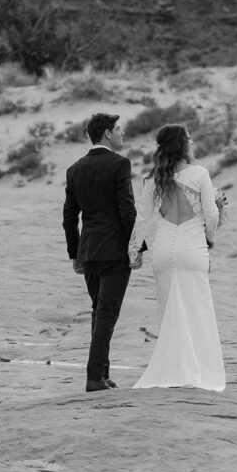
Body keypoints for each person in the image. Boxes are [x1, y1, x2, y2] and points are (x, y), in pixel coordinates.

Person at [128, 124, 226, 391]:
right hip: (193, 250)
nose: (192, 143)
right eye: (190, 140)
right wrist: (211, 238)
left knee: (170, 312)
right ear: (183, 145)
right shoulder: (200, 174)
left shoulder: (152, 179)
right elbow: (211, 214)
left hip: (163, 251)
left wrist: (133, 250)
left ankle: (174, 370)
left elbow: (143, 219)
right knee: (198, 310)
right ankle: (198, 372)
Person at [63, 112, 140, 392]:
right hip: (115, 251)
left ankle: (102, 374)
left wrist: (75, 254)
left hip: (89, 251)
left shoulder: (75, 169)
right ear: (107, 133)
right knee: (107, 313)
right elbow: (127, 210)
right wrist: (137, 246)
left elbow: (69, 218)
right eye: (118, 129)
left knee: (99, 311)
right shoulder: (119, 164)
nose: (122, 133)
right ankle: (94, 377)